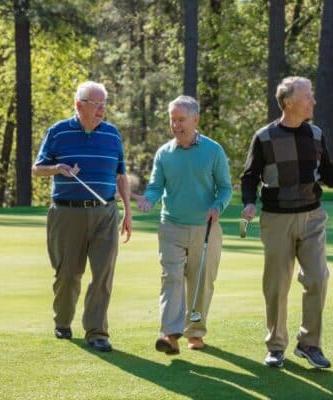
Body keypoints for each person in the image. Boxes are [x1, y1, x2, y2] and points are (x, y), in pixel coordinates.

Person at [241, 76, 333, 369]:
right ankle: (276, 346)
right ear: (289, 102)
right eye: (308, 96)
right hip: (276, 219)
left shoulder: (316, 134)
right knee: (277, 286)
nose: (313, 101)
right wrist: (248, 202)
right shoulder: (265, 137)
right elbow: (249, 176)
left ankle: (309, 344)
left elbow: (328, 173)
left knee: (318, 278)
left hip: (312, 217)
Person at [32, 81, 132, 352]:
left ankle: (97, 332)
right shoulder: (58, 132)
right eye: (96, 104)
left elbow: (121, 175)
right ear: (79, 105)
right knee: (67, 273)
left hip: (106, 213)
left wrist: (127, 212)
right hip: (67, 212)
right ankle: (63, 321)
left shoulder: (112, 134)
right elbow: (37, 169)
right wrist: (57, 168)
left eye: (104, 104)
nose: (102, 110)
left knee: (103, 274)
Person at [133, 96, 232, 355]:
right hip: (172, 227)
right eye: (172, 120)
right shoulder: (164, 153)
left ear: (195, 120)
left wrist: (217, 206)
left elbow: (225, 188)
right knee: (171, 278)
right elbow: (155, 187)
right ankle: (170, 335)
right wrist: (148, 201)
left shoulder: (213, 150)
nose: (176, 125)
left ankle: (195, 333)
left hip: (205, 228)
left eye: (181, 120)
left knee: (201, 283)